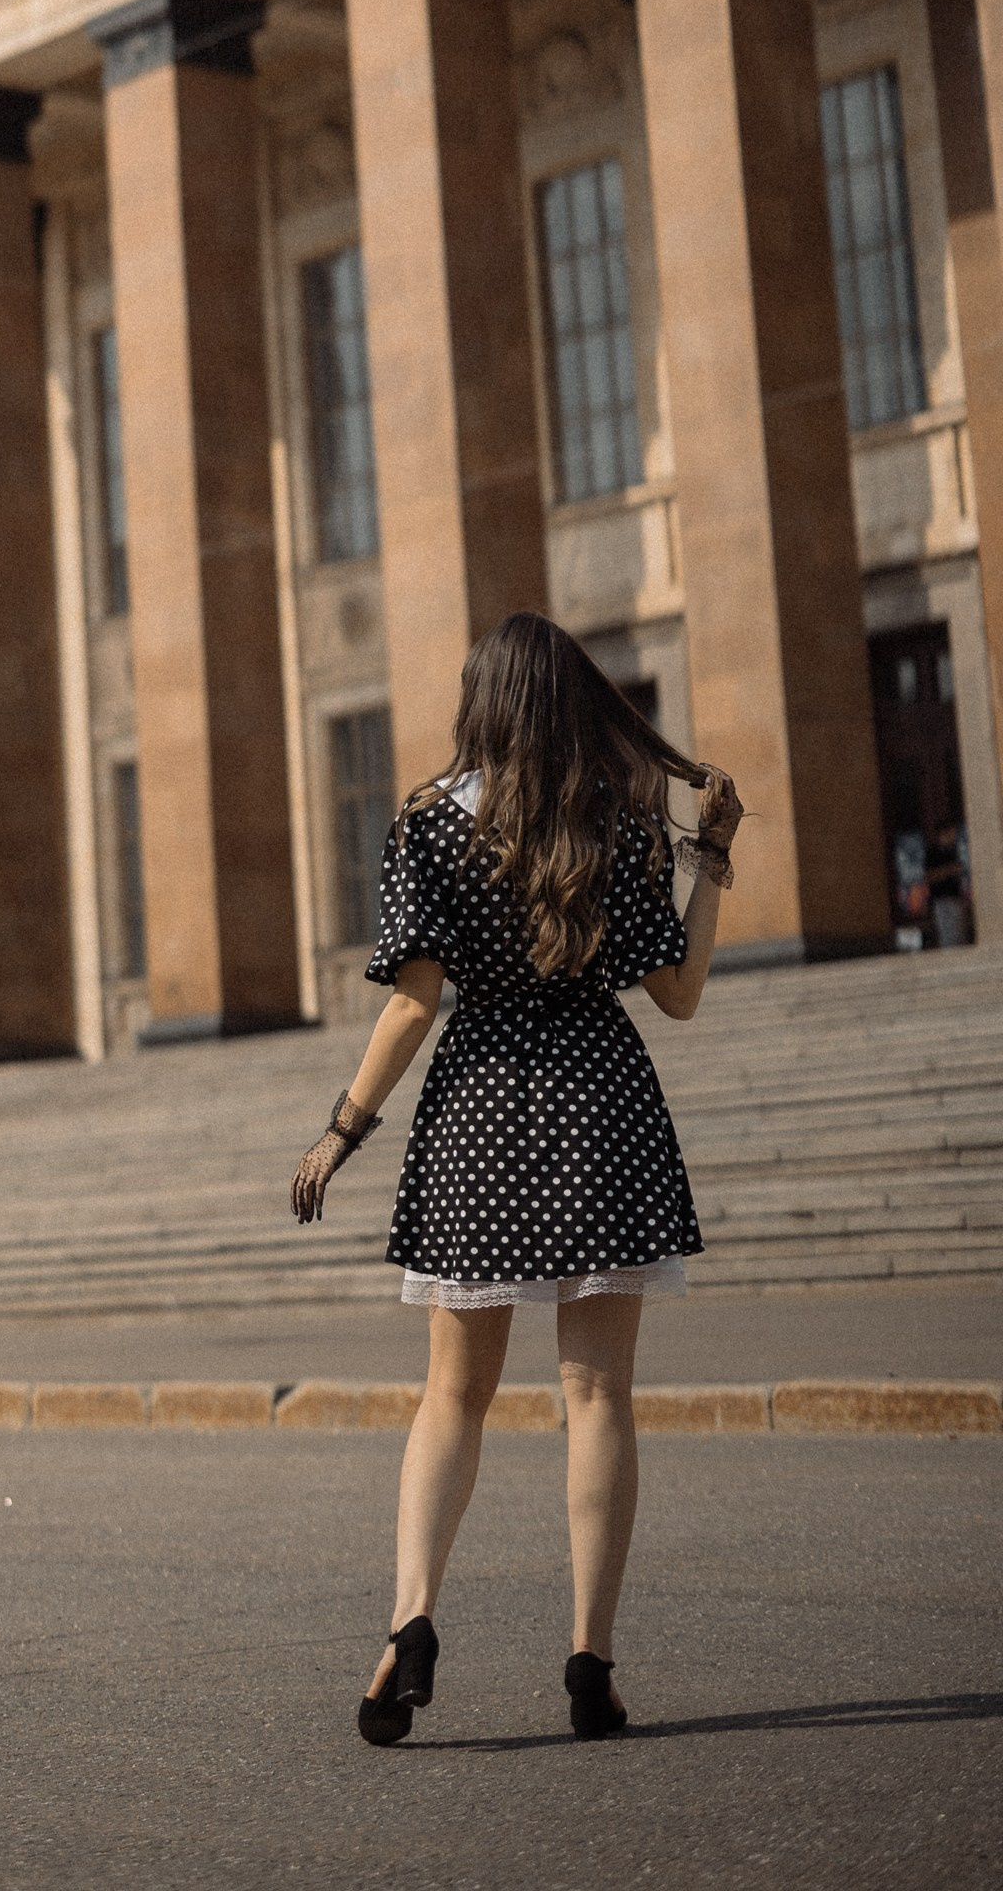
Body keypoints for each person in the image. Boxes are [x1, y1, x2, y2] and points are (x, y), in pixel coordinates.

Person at [290, 612, 743, 1747]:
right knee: (595, 1395)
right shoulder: (617, 819)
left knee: (451, 1396)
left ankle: (410, 1620)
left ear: (479, 700)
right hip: (598, 1103)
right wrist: (711, 858)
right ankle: (588, 1662)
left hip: (478, 1111)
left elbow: (411, 1003)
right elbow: (677, 996)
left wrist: (341, 1130)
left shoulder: (428, 824)